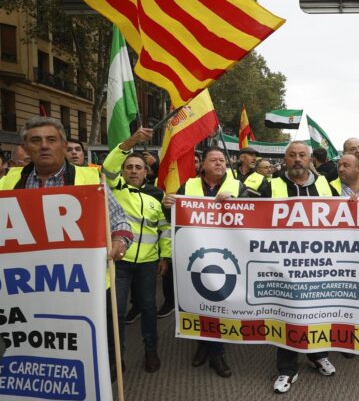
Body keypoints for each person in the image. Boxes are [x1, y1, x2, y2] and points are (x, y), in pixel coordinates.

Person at [0, 117, 133, 381]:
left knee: (96, 342)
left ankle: (102, 380)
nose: (44, 146)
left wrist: (119, 240)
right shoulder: (7, 184)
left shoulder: (89, 178)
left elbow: (119, 221)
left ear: (63, 145)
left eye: (51, 140)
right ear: (25, 147)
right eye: (35, 141)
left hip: (87, 285)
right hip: (29, 288)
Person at [256, 141, 338, 393]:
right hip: (284, 264)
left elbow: (343, 218)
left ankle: (317, 354)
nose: (297, 159)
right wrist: (224, 202)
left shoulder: (325, 185)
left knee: (317, 311)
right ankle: (287, 370)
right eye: (292, 155)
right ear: (285, 158)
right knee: (288, 314)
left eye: (302, 155)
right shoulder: (271, 186)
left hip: (318, 263)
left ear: (310, 158)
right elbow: (248, 215)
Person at [162, 147, 247, 379]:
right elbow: (174, 216)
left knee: (219, 300)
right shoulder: (188, 186)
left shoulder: (238, 186)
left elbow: (254, 215)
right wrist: (167, 204)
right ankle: (203, 343)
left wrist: (234, 203)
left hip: (228, 256)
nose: (220, 163)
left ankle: (216, 353)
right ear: (203, 165)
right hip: (195, 254)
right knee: (199, 301)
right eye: (214, 160)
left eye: (222, 160)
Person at [101, 127, 168, 375]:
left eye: (138, 167)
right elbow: (108, 166)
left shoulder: (156, 196)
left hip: (148, 264)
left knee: (149, 308)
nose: (133, 171)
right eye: (129, 167)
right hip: (117, 263)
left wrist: (165, 257)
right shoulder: (114, 187)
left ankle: (151, 351)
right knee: (115, 312)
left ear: (146, 171)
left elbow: (164, 228)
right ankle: (114, 358)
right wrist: (131, 141)